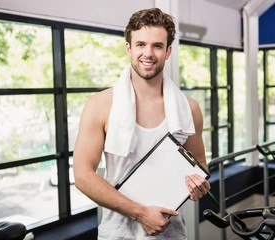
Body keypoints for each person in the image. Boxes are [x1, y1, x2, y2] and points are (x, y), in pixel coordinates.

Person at [73, 7, 210, 239]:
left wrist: (198, 188)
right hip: (117, 234)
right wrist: (140, 213)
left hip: (172, 233)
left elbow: (200, 166)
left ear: (168, 51)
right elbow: (83, 175)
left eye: (157, 46)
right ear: (128, 48)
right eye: (140, 44)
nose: (148, 53)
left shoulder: (189, 108)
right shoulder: (100, 105)